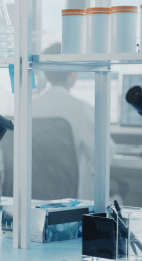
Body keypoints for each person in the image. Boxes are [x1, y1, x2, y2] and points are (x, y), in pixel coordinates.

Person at [31, 42, 114, 200]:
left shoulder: (26, 106)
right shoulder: (81, 108)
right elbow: (105, 154)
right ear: (72, 73)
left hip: (31, 202)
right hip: (73, 202)